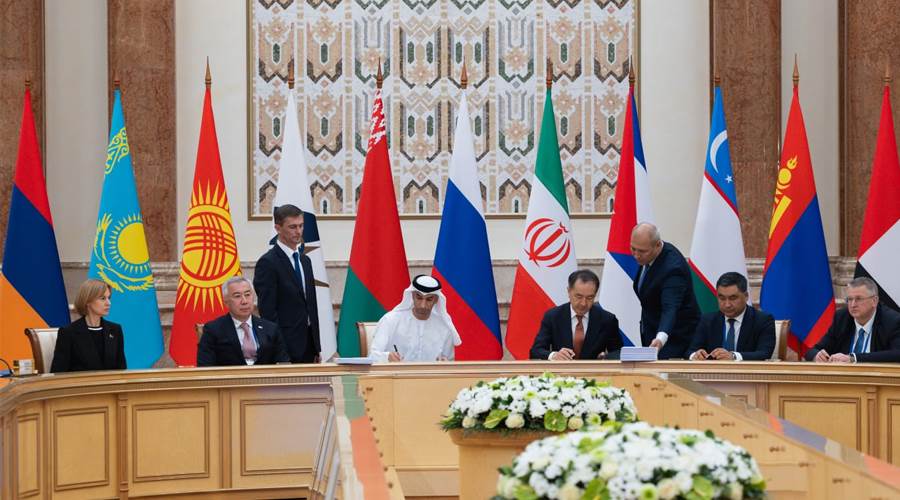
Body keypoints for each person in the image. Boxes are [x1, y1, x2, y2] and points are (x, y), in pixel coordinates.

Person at [253, 204, 320, 363]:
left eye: (301, 226)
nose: (298, 231)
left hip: (309, 345)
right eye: (292, 227)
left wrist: (316, 347)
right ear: (278, 228)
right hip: (285, 348)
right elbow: (268, 312)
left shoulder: (305, 260)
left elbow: (310, 306)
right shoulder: (268, 263)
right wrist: (279, 351)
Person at [631, 222, 700, 359]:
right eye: (633, 249)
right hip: (651, 332)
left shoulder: (674, 269)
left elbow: (670, 308)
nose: (636, 255)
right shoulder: (649, 255)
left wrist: (661, 338)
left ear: (657, 245)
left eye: (642, 251)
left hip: (675, 340)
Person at [530, 269, 622, 361]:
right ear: (569, 291)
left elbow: (619, 353)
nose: (583, 303)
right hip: (562, 370)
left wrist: (606, 357)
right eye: (579, 296)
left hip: (594, 369)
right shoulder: (553, 316)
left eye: (590, 298)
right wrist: (553, 355)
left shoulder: (607, 319)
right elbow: (535, 351)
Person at [197, 276, 290, 366]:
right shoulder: (213, 330)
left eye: (247, 295)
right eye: (237, 296)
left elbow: (283, 363)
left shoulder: (271, 329)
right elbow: (205, 367)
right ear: (226, 302)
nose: (244, 301)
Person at [805, 277, 900, 363]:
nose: (853, 304)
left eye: (859, 299)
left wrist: (853, 358)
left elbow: (897, 354)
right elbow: (813, 350)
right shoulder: (841, 318)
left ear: (874, 301)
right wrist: (817, 355)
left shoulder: (892, 320)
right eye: (850, 299)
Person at [369, 275, 461, 362]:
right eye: (419, 298)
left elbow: (449, 361)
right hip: (396, 373)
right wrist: (387, 357)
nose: (423, 305)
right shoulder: (390, 320)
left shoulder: (444, 327)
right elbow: (372, 356)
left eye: (429, 299)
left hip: (431, 374)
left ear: (436, 300)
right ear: (412, 296)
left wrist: (445, 363)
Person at [688, 272, 775, 361]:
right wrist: (696, 355)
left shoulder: (763, 320)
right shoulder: (707, 320)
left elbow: (764, 353)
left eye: (733, 298)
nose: (727, 304)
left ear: (746, 296)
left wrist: (733, 356)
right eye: (722, 298)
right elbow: (690, 351)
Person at [51, 279, 126, 373]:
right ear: (87, 301)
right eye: (103, 298)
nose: (108, 303)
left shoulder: (115, 330)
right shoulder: (68, 333)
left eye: (109, 298)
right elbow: (58, 373)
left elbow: (121, 370)